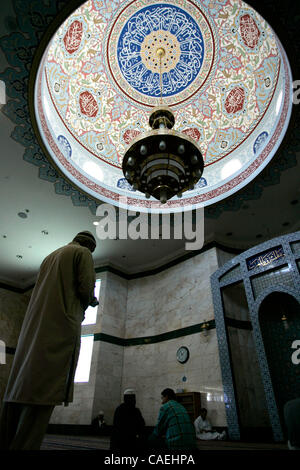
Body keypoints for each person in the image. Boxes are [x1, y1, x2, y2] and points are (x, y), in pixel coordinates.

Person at [0, 231, 98, 450]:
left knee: (22, 389)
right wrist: (92, 300)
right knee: (43, 392)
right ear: (90, 245)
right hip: (59, 329)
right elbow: (85, 287)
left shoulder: (51, 256)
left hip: (34, 331)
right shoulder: (82, 253)